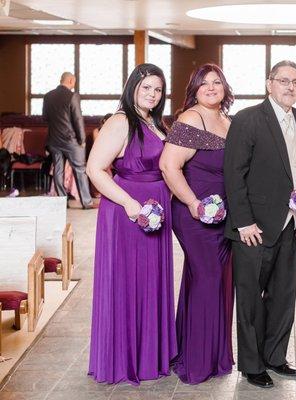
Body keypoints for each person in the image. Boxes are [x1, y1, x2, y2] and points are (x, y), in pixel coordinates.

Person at [87, 63, 176, 385]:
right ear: (132, 88)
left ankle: (149, 353)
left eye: (157, 89)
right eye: (146, 88)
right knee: (129, 282)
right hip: (129, 212)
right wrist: (130, 204)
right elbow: (95, 169)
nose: (152, 94)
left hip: (156, 210)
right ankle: (126, 357)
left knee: (150, 282)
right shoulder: (121, 121)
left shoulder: (154, 122)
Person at [223, 60, 296, 389]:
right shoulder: (248, 119)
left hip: (289, 225)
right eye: (284, 81)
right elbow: (234, 174)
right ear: (268, 83)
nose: (290, 87)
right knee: (249, 299)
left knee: (283, 296)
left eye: (295, 82)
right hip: (253, 228)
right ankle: (252, 364)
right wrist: (243, 221)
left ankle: (275, 357)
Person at [159, 64, 235, 384]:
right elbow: (168, 165)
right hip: (193, 215)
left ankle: (209, 353)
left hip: (224, 217)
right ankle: (198, 362)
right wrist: (193, 203)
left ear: (225, 88)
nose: (211, 87)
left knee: (214, 281)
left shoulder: (229, 122)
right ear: (194, 89)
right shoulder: (192, 118)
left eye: (216, 82)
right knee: (208, 278)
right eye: (204, 84)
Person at [42, 72, 94, 208]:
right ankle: (86, 202)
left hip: (53, 140)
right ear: (70, 80)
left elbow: (45, 118)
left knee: (58, 170)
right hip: (71, 140)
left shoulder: (48, 96)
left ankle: (61, 201)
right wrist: (82, 139)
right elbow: (78, 119)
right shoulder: (72, 96)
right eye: (74, 82)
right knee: (80, 170)